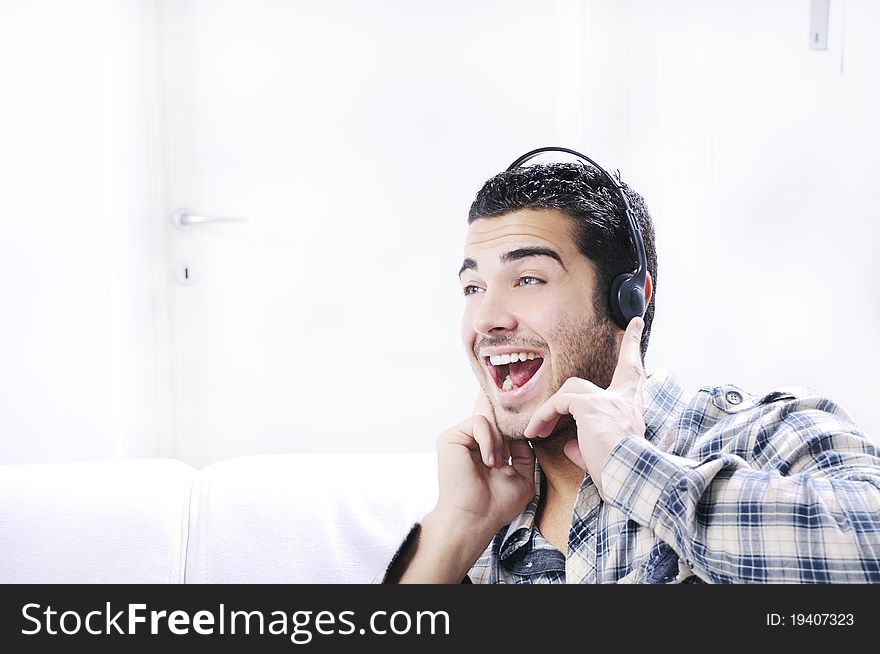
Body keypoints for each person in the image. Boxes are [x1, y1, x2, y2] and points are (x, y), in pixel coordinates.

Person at [379, 151, 880, 584]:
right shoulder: (486, 519)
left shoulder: (764, 436)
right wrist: (457, 526)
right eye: (473, 288)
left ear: (628, 302)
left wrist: (630, 465)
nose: (485, 320)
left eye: (528, 279)